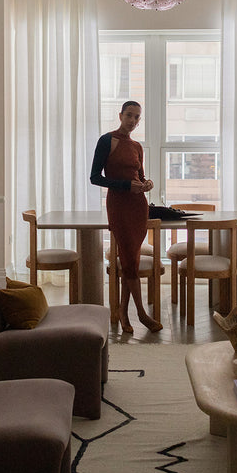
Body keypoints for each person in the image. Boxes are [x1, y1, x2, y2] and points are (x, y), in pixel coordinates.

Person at [90, 101, 163, 333]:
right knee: (130, 261)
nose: (132, 120)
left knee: (131, 261)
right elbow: (95, 177)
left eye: (136, 117)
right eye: (129, 115)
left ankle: (123, 314)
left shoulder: (137, 146)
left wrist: (147, 184)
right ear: (120, 115)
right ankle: (141, 314)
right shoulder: (106, 140)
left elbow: (139, 176)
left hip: (138, 207)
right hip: (119, 205)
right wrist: (124, 185)